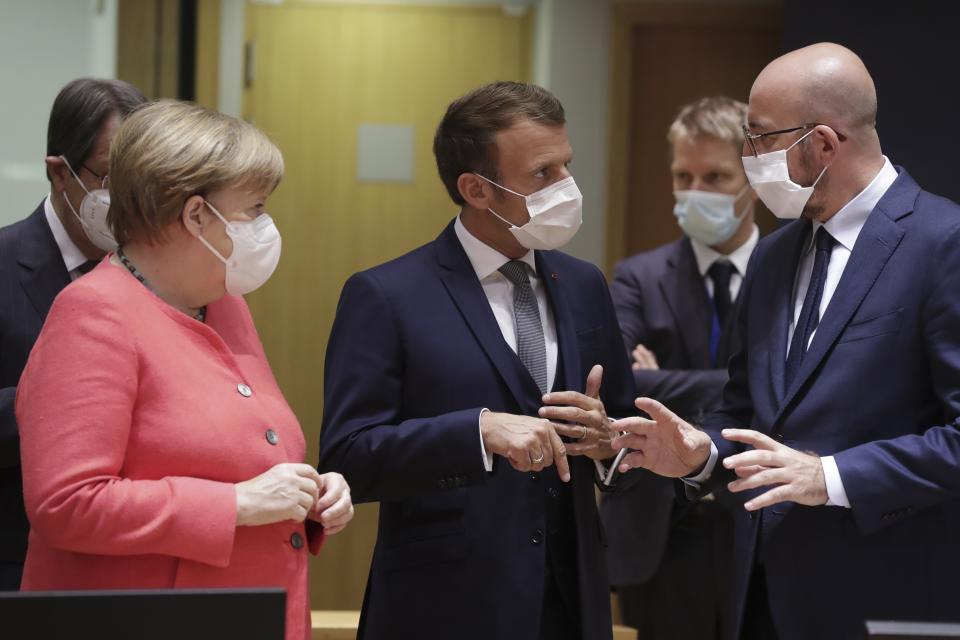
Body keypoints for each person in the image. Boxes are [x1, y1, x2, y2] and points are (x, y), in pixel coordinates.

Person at [612, 42, 960, 640]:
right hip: (761, 594)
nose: (750, 159)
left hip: (884, 593)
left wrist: (830, 477)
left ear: (823, 143)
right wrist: (702, 453)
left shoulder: (942, 242)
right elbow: (746, 412)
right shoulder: (775, 255)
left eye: (761, 138)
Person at [15, 100, 354, 640]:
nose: (266, 227)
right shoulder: (94, 313)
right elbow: (67, 504)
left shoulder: (222, 304)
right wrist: (237, 504)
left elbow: (250, 455)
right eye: (255, 209)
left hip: (249, 611)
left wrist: (312, 495)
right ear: (196, 216)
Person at [318, 81, 635, 640]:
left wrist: (608, 442)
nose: (567, 186)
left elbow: (623, 430)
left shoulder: (585, 284)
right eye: (543, 174)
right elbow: (349, 456)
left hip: (572, 600)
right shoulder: (386, 295)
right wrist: (477, 432)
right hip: (446, 604)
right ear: (476, 189)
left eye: (568, 165)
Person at [601, 96, 758, 640]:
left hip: (762, 519)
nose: (696, 192)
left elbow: (803, 390)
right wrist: (752, 382)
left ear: (754, 179)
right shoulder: (637, 277)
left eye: (715, 176)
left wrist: (660, 378)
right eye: (682, 175)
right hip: (659, 532)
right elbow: (620, 388)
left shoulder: (788, 272)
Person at [0, 77, 145, 590]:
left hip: (137, 566)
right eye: (110, 180)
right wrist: (79, 406)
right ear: (60, 172)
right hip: (18, 566)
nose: (129, 203)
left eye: (142, 182)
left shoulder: (160, 277)